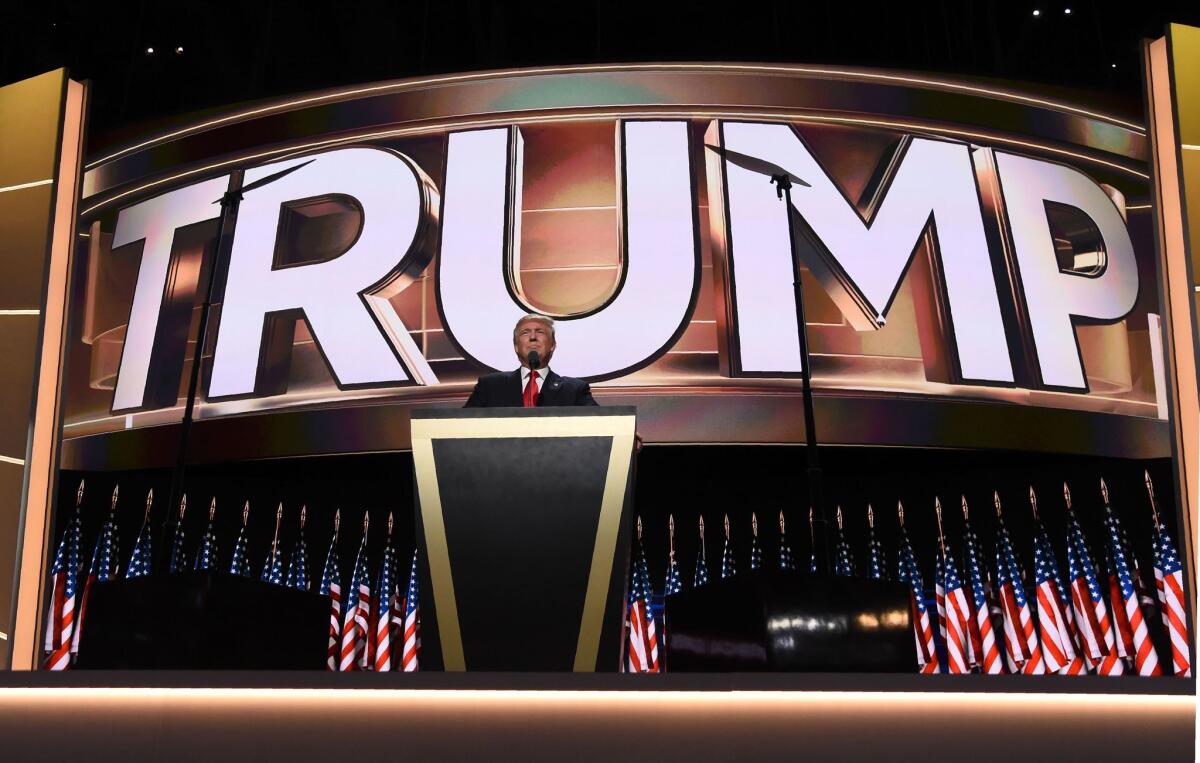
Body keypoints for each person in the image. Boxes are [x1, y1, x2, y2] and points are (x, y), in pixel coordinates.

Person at [463, 314, 598, 408]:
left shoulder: (574, 390)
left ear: (552, 345)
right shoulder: (489, 386)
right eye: (525, 332)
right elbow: (460, 426)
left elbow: (601, 425)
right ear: (516, 346)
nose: (533, 337)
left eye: (540, 332)